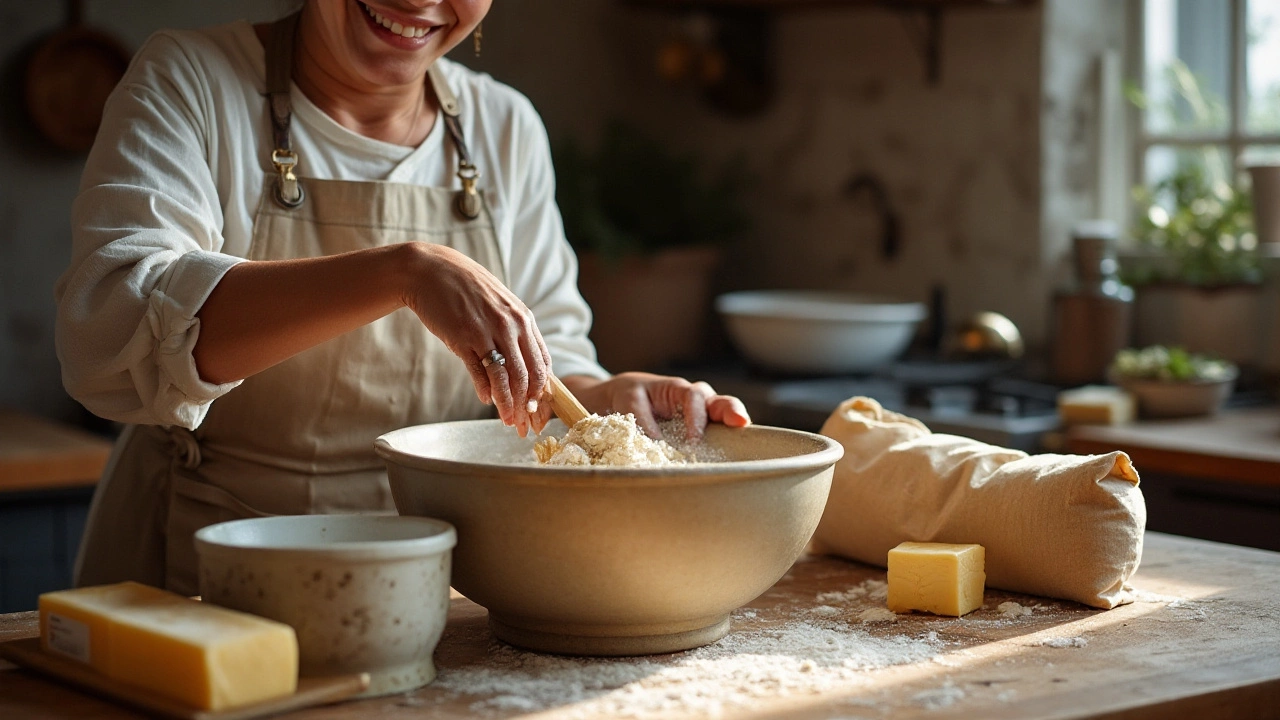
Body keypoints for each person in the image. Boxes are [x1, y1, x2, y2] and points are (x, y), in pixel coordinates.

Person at [55, 0, 751, 596]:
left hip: (433, 577)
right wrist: (401, 273)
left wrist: (602, 404)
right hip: (208, 568)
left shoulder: (503, 127)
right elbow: (114, 330)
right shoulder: (191, 81)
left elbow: (548, 364)